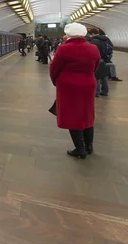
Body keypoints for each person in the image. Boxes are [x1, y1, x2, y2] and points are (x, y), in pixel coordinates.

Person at [50, 22, 99, 159]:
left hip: (68, 86)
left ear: (68, 34)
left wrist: (57, 82)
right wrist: (87, 77)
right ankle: (89, 146)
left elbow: (54, 69)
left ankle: (80, 149)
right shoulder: (93, 48)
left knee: (72, 116)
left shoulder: (63, 49)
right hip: (88, 85)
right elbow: (95, 66)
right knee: (87, 114)